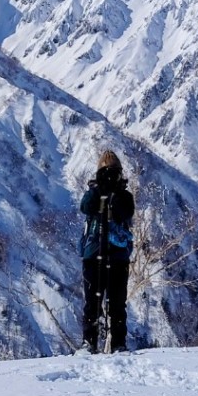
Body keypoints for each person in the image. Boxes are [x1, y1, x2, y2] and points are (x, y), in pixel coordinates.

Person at [79, 149, 134, 353]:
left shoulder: (124, 195)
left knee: (117, 302)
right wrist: (98, 189)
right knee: (93, 300)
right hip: (94, 253)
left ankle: (118, 342)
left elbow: (126, 213)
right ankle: (89, 342)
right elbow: (85, 207)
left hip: (116, 253)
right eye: (106, 172)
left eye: (114, 172)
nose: (110, 176)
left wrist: (115, 194)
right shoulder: (93, 193)